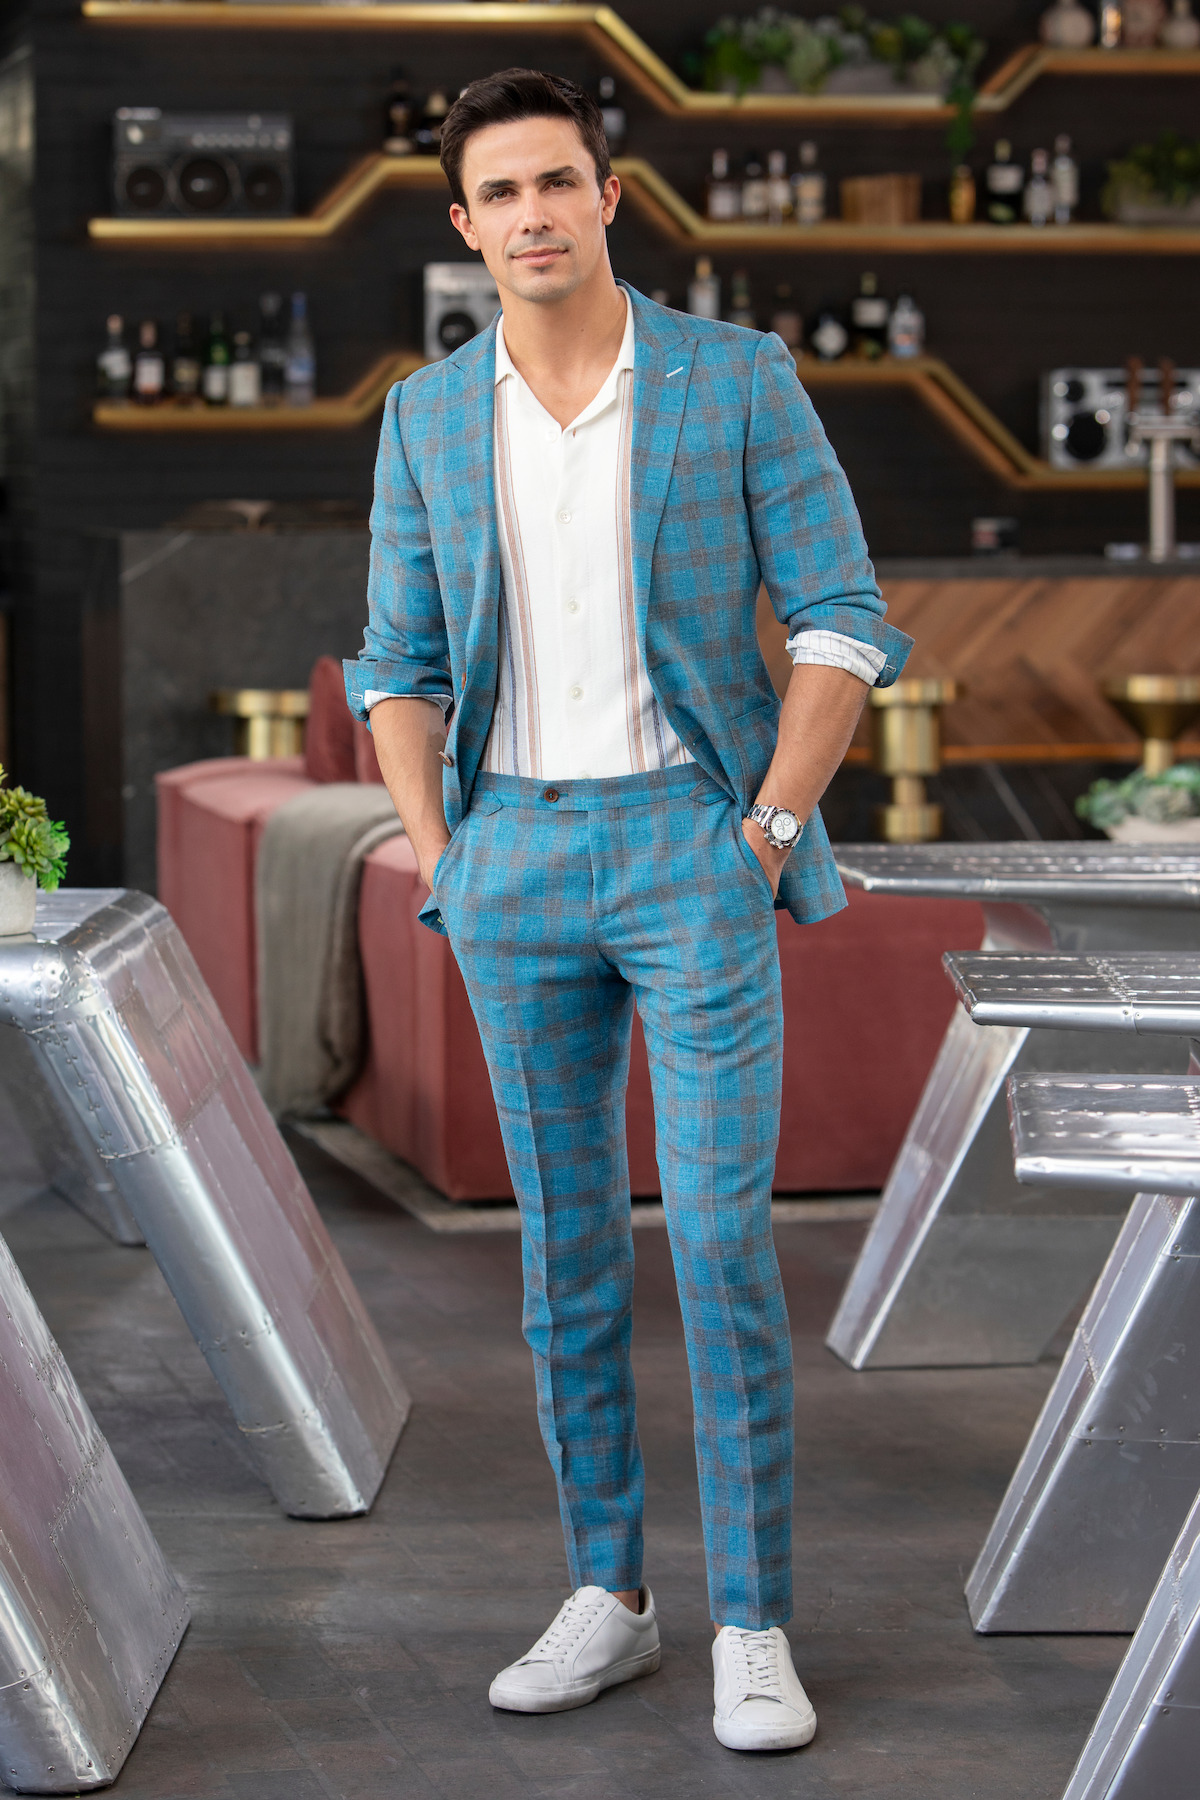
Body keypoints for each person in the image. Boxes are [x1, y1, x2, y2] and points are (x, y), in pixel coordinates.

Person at [345, 67, 911, 1753]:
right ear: (465, 225)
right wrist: (439, 843)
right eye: (498, 194)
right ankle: (613, 1594)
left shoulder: (737, 380)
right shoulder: (428, 418)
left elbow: (841, 614)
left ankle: (751, 1620)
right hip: (509, 859)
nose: (530, 215)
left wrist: (768, 822)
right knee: (567, 1257)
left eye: (556, 184)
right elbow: (398, 656)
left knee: (727, 1246)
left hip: (693, 849)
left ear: (610, 198)